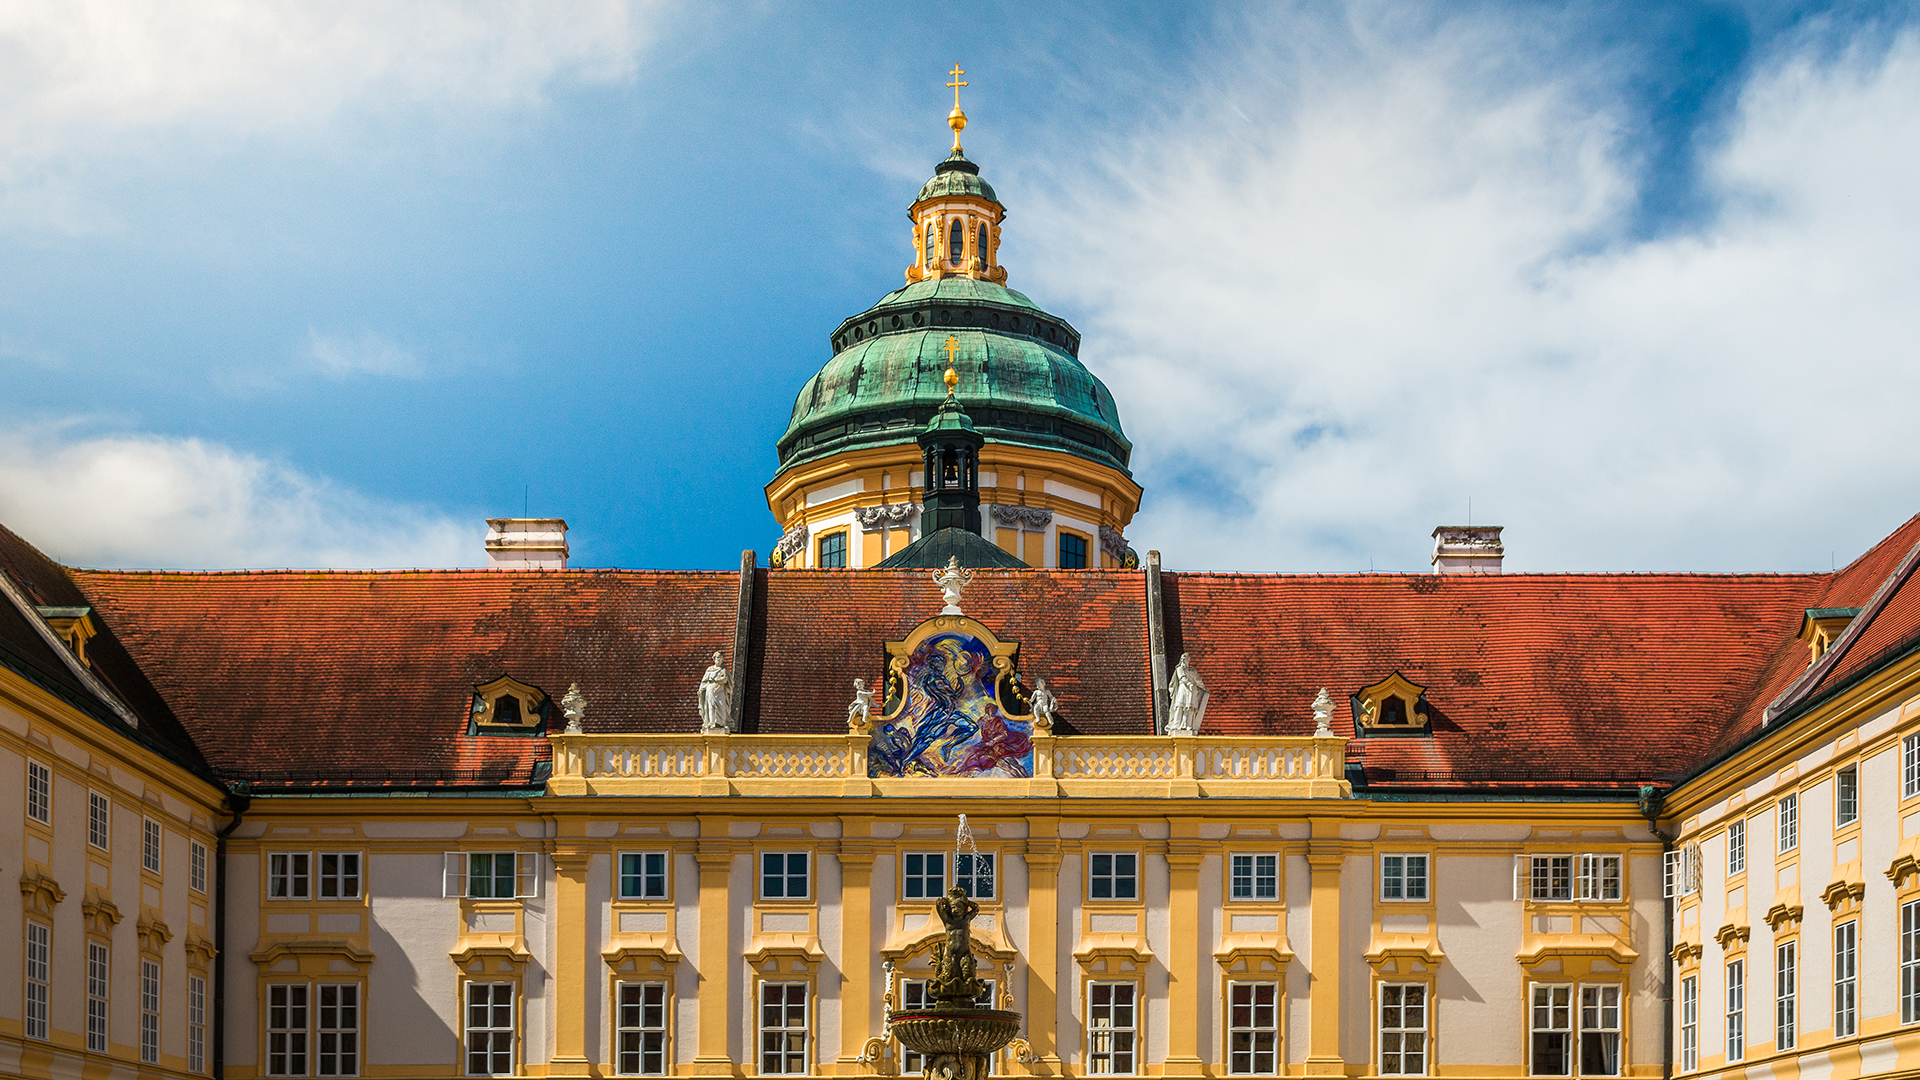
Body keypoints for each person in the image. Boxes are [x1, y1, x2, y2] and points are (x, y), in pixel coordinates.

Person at [698, 652, 732, 734]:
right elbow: (704, 681)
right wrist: (701, 690)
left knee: (721, 705)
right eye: (717, 658)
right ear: (714, 659)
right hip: (710, 690)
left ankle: (721, 723)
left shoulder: (724, 670)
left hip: (720, 691)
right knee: (711, 706)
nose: (719, 660)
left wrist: (716, 680)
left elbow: (726, 680)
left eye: (720, 658)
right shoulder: (709, 670)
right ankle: (712, 723)